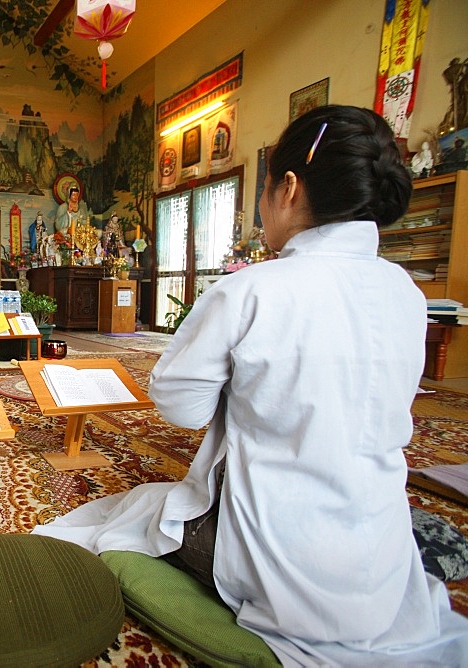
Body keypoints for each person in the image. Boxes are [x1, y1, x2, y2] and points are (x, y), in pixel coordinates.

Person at [33, 105, 468, 665]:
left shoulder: (252, 291)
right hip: (380, 571)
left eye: (263, 188)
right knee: (147, 506)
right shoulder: (408, 293)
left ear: (288, 188)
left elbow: (182, 407)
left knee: (133, 512)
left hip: (277, 568)